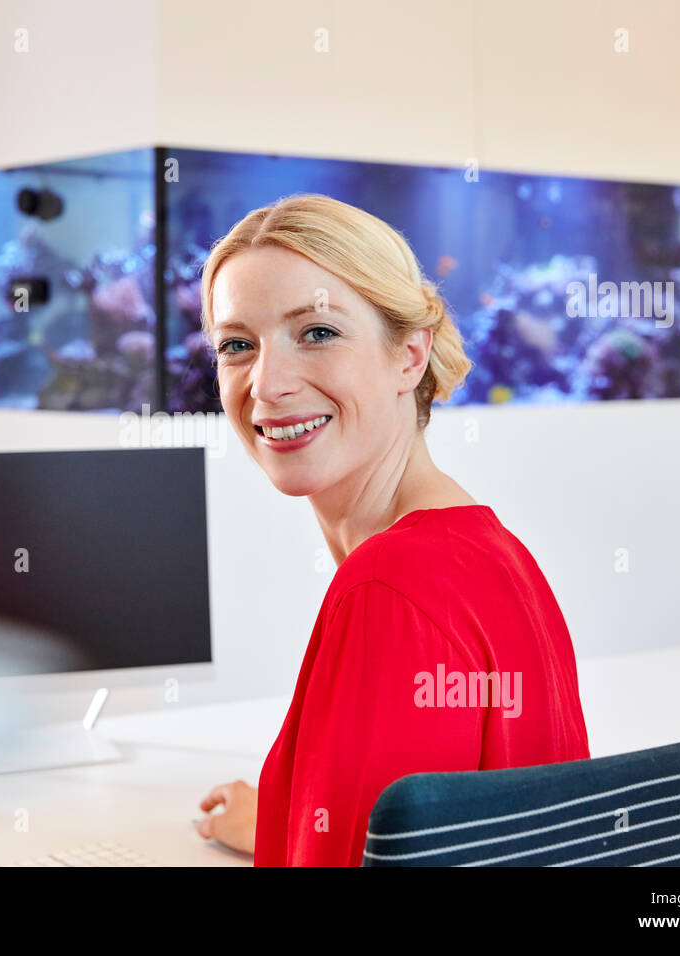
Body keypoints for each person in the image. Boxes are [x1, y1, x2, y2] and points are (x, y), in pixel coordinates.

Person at [193, 194, 590, 866]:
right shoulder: (489, 552)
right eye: (238, 345)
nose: (267, 383)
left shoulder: (386, 592)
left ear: (409, 356)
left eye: (317, 333)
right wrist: (282, 827)